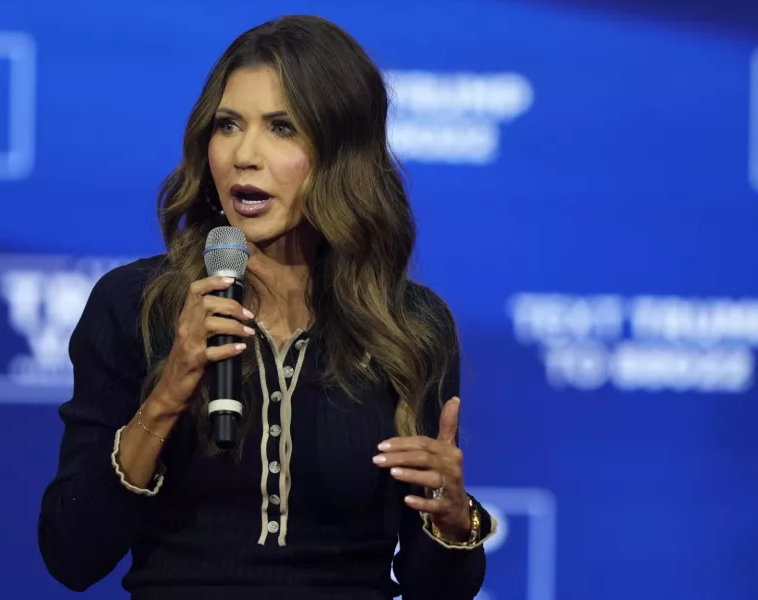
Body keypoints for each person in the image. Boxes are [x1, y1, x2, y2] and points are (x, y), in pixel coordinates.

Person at [38, 14, 498, 600]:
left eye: (282, 128)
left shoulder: (408, 326)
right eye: (228, 125)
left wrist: (452, 522)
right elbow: (70, 554)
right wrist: (164, 399)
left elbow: (437, 591)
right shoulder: (136, 306)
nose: (244, 155)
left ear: (340, 152)